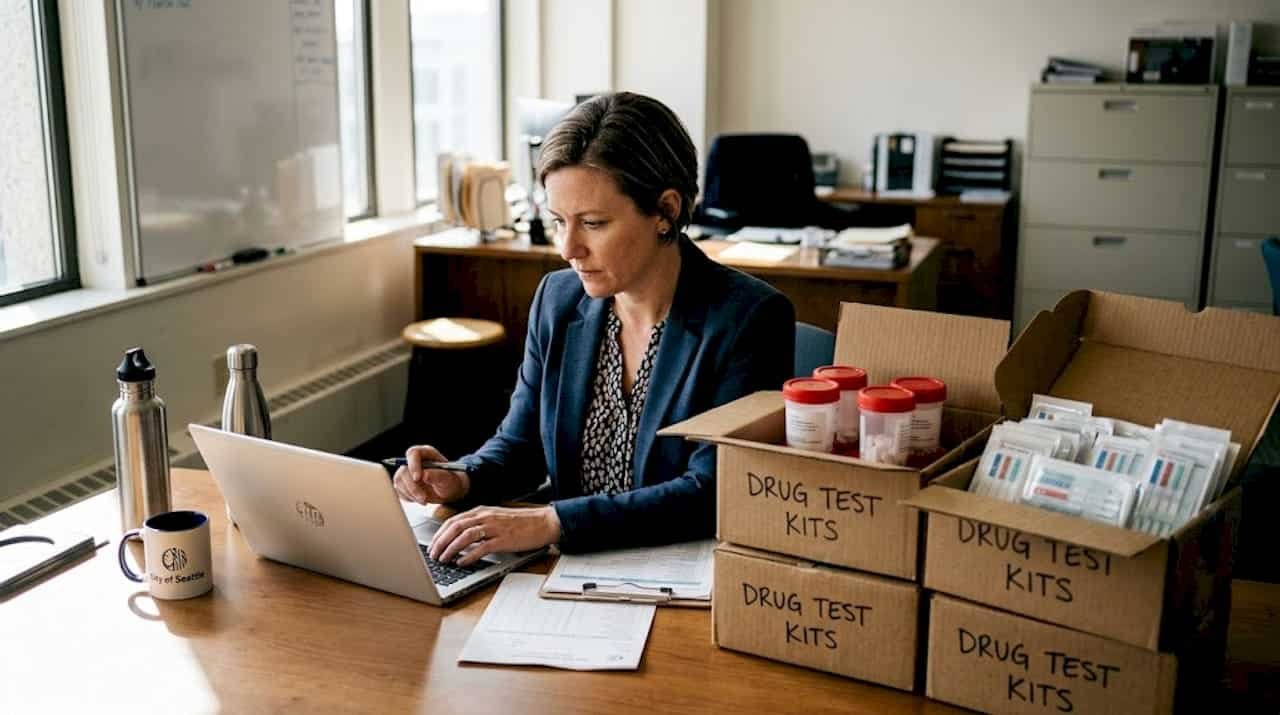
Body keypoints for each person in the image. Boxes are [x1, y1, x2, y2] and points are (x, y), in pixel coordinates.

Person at [393, 92, 795, 565]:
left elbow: (711, 491)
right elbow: (521, 444)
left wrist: (552, 521)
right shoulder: (558, 300)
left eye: (593, 223)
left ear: (665, 212)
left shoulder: (748, 317)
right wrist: (460, 477)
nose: (568, 248)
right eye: (559, 221)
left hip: (677, 571)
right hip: (567, 571)